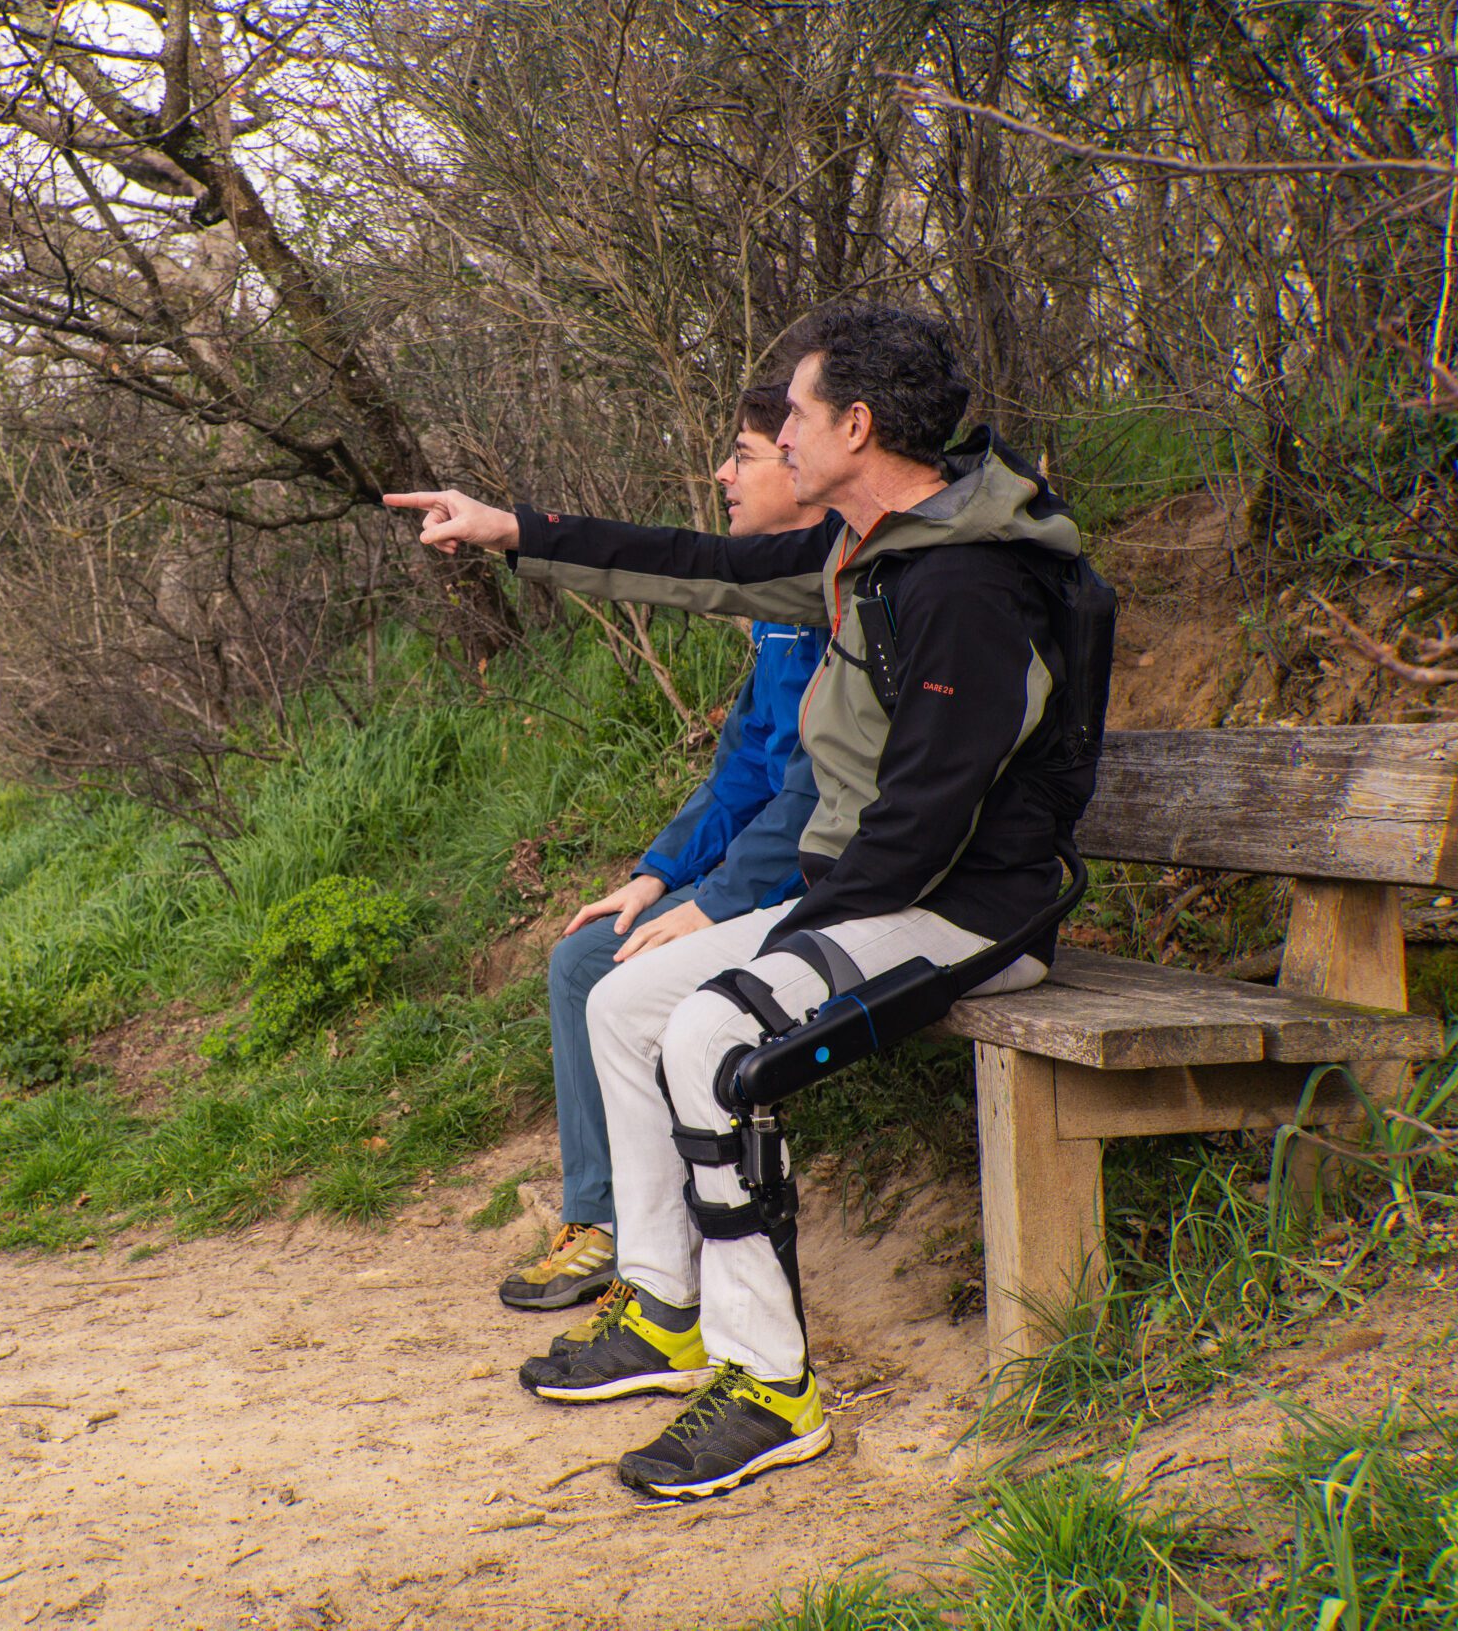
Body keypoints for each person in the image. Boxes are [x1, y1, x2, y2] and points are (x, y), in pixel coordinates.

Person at [387, 303, 1098, 1499]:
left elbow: (931, 817)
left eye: (798, 415)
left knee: (716, 1029)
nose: (772, 441)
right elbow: (701, 564)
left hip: (973, 918)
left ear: (853, 427)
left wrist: (772, 945)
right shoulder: (868, 550)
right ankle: (665, 1313)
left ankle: (770, 1386)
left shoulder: (968, 584)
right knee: (623, 1004)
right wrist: (509, 528)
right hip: (875, 898)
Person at [500, 385, 824, 1317]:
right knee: (581, 957)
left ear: (804, 470)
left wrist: (708, 902)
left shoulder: (845, 599)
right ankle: (601, 1226)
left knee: (618, 979)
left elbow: (814, 800)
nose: (722, 474)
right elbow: (740, 772)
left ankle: (668, 1270)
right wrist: (655, 873)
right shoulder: (778, 609)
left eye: (745, 454)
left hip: (825, 895)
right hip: (757, 878)